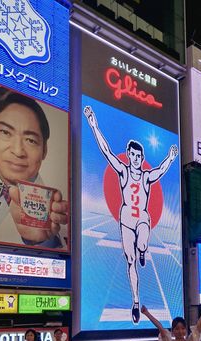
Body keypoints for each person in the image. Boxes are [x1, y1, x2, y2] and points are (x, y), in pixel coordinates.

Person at [84, 105, 178, 324]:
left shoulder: (145, 176)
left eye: (138, 155)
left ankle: (143, 249)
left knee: (142, 243)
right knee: (130, 260)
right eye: (132, 155)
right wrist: (93, 123)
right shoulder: (123, 171)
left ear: (142, 157)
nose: (135, 158)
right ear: (128, 156)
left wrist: (171, 157)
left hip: (142, 218)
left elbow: (161, 171)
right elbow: (106, 151)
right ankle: (136, 301)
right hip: (126, 219)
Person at [0, 86, 68, 248]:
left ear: (44, 150)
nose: (18, 151)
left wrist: (42, 241)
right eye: (5, 132)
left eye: (30, 140)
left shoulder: (60, 210)